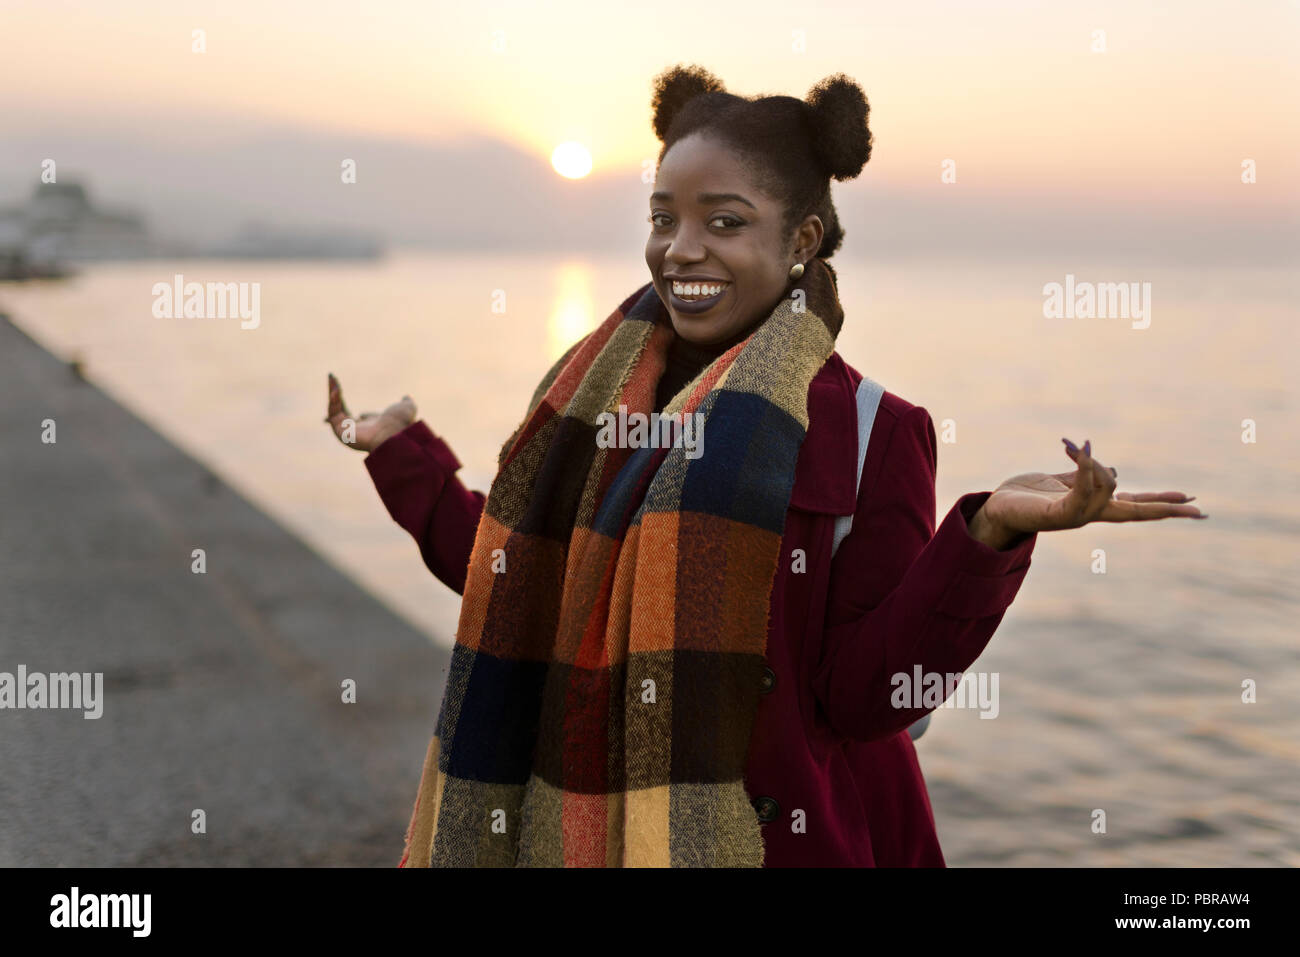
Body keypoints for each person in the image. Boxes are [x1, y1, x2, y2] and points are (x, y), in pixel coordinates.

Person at [325, 64, 1205, 867]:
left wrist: (986, 534)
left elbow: (867, 697)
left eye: (725, 221)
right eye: (663, 217)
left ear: (802, 239)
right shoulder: (600, 397)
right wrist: (404, 453)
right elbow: (515, 571)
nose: (681, 248)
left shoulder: (871, 429)